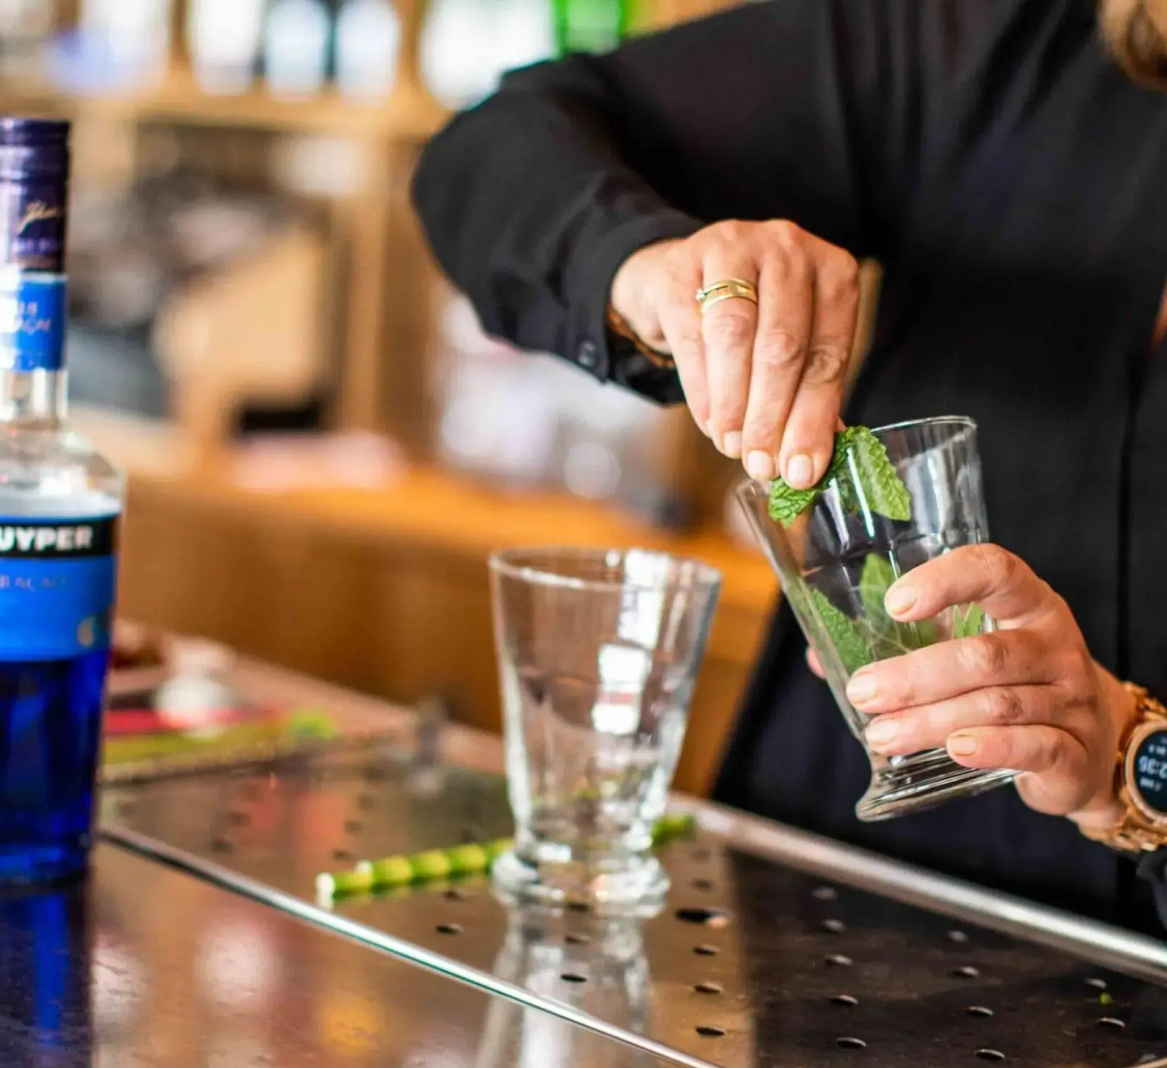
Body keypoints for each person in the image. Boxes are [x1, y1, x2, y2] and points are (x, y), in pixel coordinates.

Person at [412, 0, 1167, 933]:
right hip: (815, 892)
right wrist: (642, 262)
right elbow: (491, 148)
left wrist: (1131, 757)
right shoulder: (995, 42)